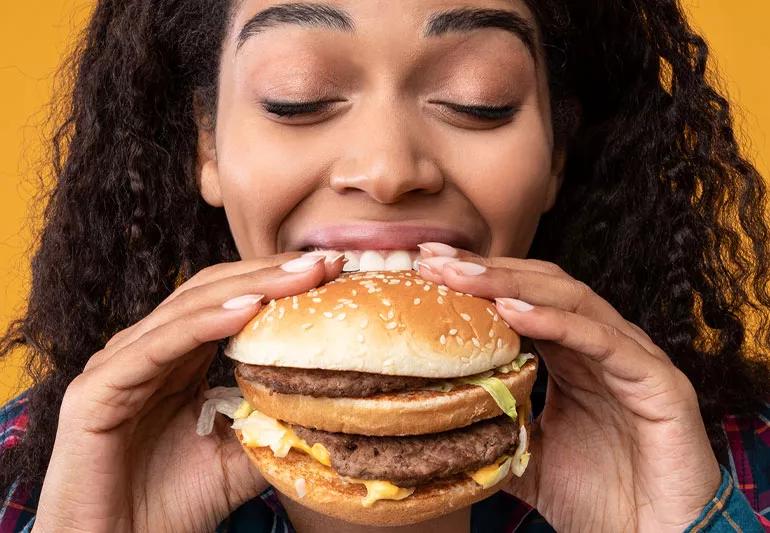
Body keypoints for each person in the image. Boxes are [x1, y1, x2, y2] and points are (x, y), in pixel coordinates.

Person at [1, 0, 768, 531]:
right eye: (296, 97)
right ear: (207, 145)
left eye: (481, 100)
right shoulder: (31, 467)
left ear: (557, 154)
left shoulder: (726, 458)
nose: (388, 169)